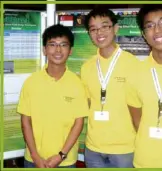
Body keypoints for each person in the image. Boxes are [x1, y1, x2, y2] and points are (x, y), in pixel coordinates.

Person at [17, 24, 89, 168]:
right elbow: (26, 122)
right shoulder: (31, 82)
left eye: (63, 45)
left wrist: (61, 155)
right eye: (52, 44)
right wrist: (35, 155)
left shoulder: (77, 84)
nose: (58, 50)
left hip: (66, 161)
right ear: (44, 50)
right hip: (33, 160)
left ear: (70, 51)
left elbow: (78, 123)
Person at [81, 7, 140, 168]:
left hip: (125, 149)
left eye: (104, 26)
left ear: (115, 28)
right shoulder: (87, 67)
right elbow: (87, 105)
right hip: (93, 148)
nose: (99, 33)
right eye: (93, 29)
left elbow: (139, 109)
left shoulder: (132, 63)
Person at [125, 4, 162, 168]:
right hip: (144, 161)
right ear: (143, 34)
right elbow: (137, 120)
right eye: (150, 25)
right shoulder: (135, 73)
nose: (157, 30)